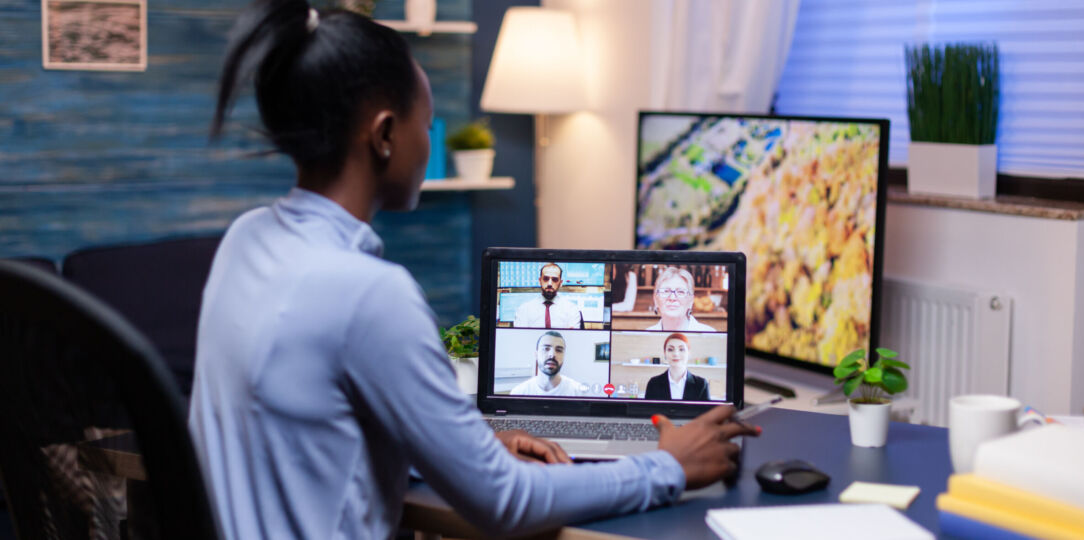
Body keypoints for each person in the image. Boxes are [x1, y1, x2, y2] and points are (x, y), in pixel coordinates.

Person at [187, 1, 757, 538]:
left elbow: (312, 431)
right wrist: (668, 467)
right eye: (426, 122)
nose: (428, 141)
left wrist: (471, 444)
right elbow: (504, 503)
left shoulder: (246, 240)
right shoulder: (369, 295)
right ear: (385, 134)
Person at [508, 331, 586, 397]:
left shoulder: (578, 391)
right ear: (536, 354)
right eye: (546, 349)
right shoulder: (518, 393)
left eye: (559, 350)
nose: (552, 354)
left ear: (564, 355)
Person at [512, 262, 583, 329]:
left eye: (554, 279)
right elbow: (520, 338)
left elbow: (572, 338)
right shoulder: (524, 309)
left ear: (560, 283)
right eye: (546, 279)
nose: (549, 283)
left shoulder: (572, 310)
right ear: (540, 281)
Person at [644, 333, 711, 401]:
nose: (676, 354)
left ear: (688, 353)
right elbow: (647, 411)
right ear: (665, 353)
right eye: (670, 349)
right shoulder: (654, 383)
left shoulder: (701, 384)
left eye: (681, 349)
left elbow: (708, 411)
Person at [647, 267, 716, 331]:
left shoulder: (711, 335)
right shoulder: (646, 336)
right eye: (666, 291)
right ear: (655, 299)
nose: (672, 298)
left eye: (680, 292)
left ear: (691, 301)